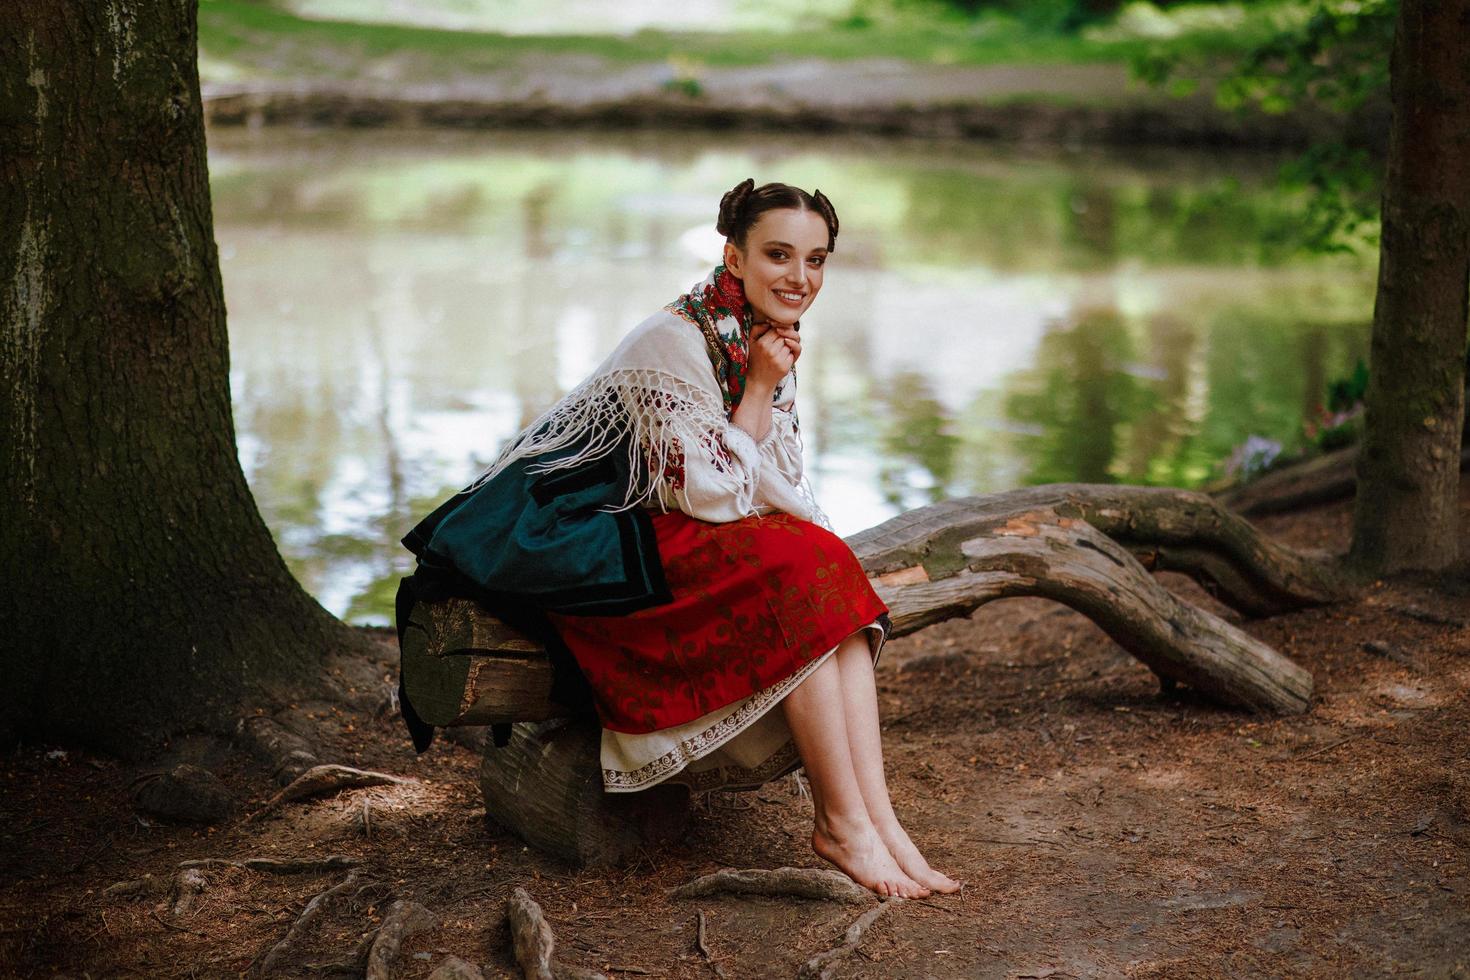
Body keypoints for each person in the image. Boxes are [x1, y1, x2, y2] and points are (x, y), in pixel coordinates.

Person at [397, 178, 960, 899]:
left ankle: (879, 822)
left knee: (823, 571)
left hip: (667, 512)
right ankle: (842, 826)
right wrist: (758, 389)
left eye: (816, 260)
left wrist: (824, 558)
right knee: (800, 571)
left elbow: (771, 479)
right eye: (779, 255)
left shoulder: (762, 338)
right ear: (734, 255)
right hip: (575, 528)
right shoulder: (676, 340)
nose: (799, 278)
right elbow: (710, 493)